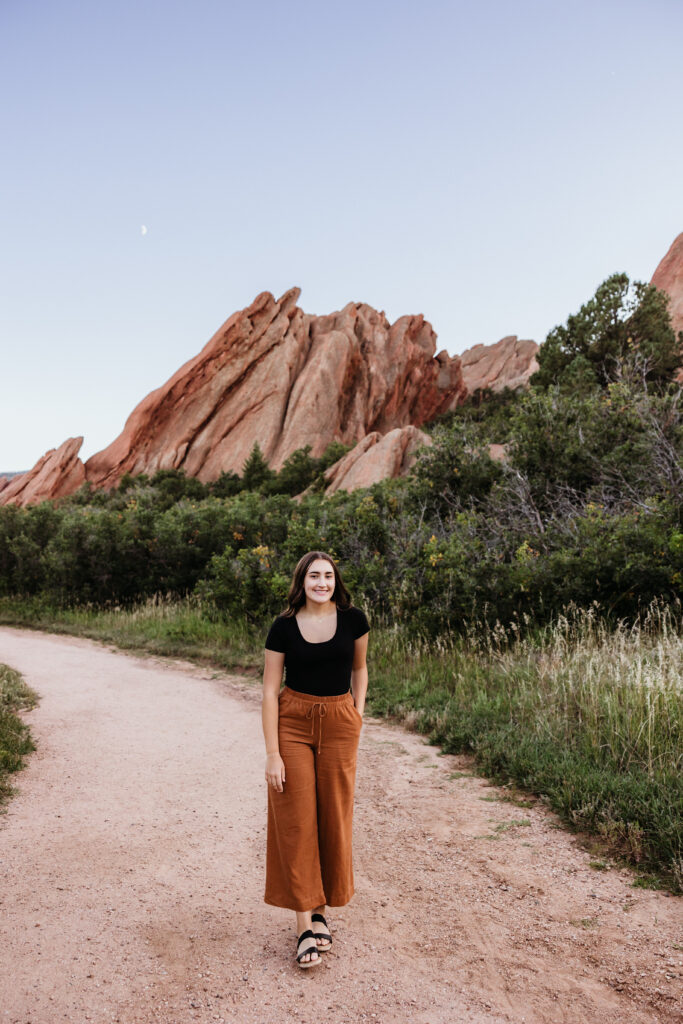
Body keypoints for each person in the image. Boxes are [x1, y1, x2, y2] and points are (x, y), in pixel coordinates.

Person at [261, 550, 370, 968]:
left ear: (335, 581)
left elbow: (360, 669)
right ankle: (305, 924)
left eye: (327, 576)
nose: (321, 583)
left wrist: (357, 713)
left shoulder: (355, 621)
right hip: (294, 723)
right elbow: (270, 690)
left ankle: (323, 911)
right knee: (296, 818)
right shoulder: (283, 627)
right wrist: (273, 753)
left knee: (333, 815)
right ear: (301, 581)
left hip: (340, 722)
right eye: (313, 576)